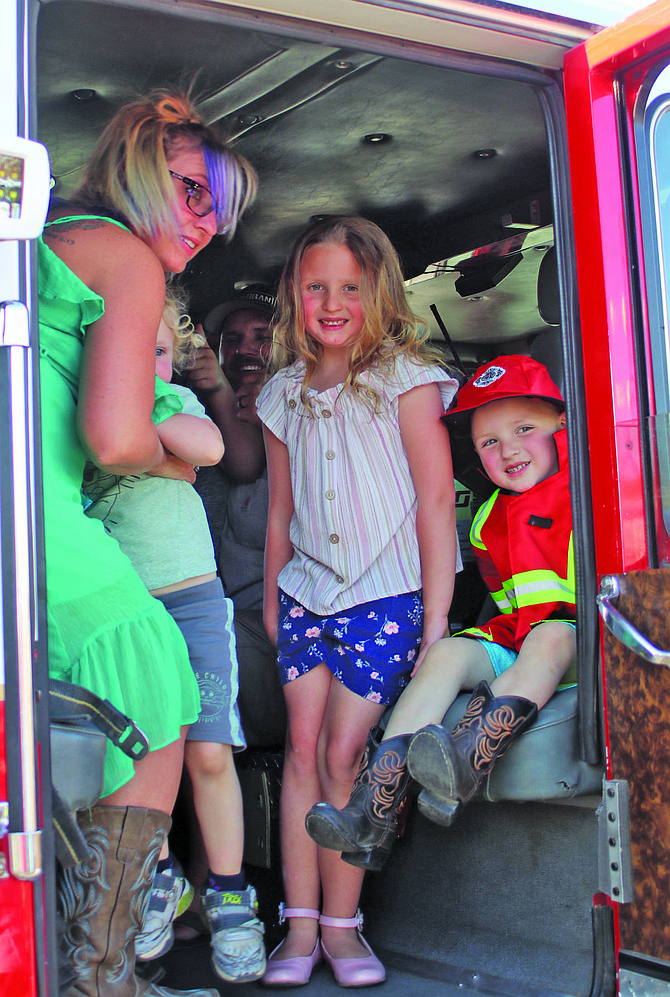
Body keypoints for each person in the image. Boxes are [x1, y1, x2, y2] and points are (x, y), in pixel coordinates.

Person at [40, 88, 256, 997]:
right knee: (162, 696)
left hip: (36, 516)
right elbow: (117, 440)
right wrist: (171, 462)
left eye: (221, 207)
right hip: (43, 522)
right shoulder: (126, 258)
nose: (206, 223)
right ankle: (101, 973)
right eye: (191, 190)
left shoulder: (53, 240)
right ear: (130, 161)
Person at [255, 215, 460, 987]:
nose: (333, 302)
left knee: (345, 753)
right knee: (302, 752)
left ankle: (344, 927)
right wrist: (278, 601)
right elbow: (281, 510)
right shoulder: (281, 394)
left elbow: (436, 501)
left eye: (350, 286)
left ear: (379, 292)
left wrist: (435, 618)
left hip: (386, 596)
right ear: (295, 296)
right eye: (316, 287)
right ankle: (298, 928)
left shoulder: (407, 379)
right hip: (307, 594)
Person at [305, 355, 576, 872]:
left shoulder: (590, 492)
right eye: (489, 442)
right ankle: (372, 810)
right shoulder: (486, 519)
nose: (509, 449)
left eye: (525, 429)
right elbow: (504, 600)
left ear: (562, 427)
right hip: (521, 641)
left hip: (587, 644)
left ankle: (465, 763)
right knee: (450, 650)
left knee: (551, 638)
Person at [83, 290, 266, 984]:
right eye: (127, 355)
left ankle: (229, 894)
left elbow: (209, 449)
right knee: (136, 760)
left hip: (192, 601)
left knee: (210, 753)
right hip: (124, 612)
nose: (145, 366)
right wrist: (157, 457)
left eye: (157, 352)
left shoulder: (176, 404)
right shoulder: (85, 416)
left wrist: (144, 404)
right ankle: (158, 877)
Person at [187, 285, 286, 747]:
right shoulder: (193, 425)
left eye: (262, 336)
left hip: (276, 627)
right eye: (232, 339)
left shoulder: (309, 420)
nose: (247, 349)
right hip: (215, 615)